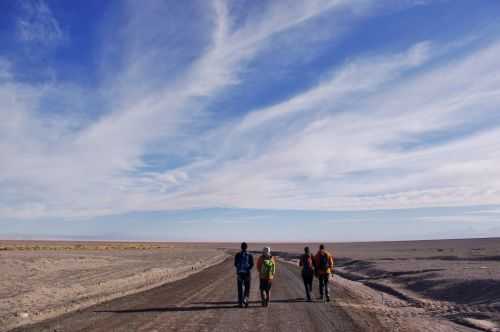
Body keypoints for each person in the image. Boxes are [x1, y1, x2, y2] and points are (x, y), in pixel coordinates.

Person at [234, 242, 254, 308]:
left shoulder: (237, 254)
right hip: (247, 274)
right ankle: (245, 300)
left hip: (239, 273)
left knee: (240, 288)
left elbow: (235, 264)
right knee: (247, 288)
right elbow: (252, 264)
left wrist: (240, 269)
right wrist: (248, 269)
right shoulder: (250, 255)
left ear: (241, 247)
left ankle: (240, 303)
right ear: (246, 247)